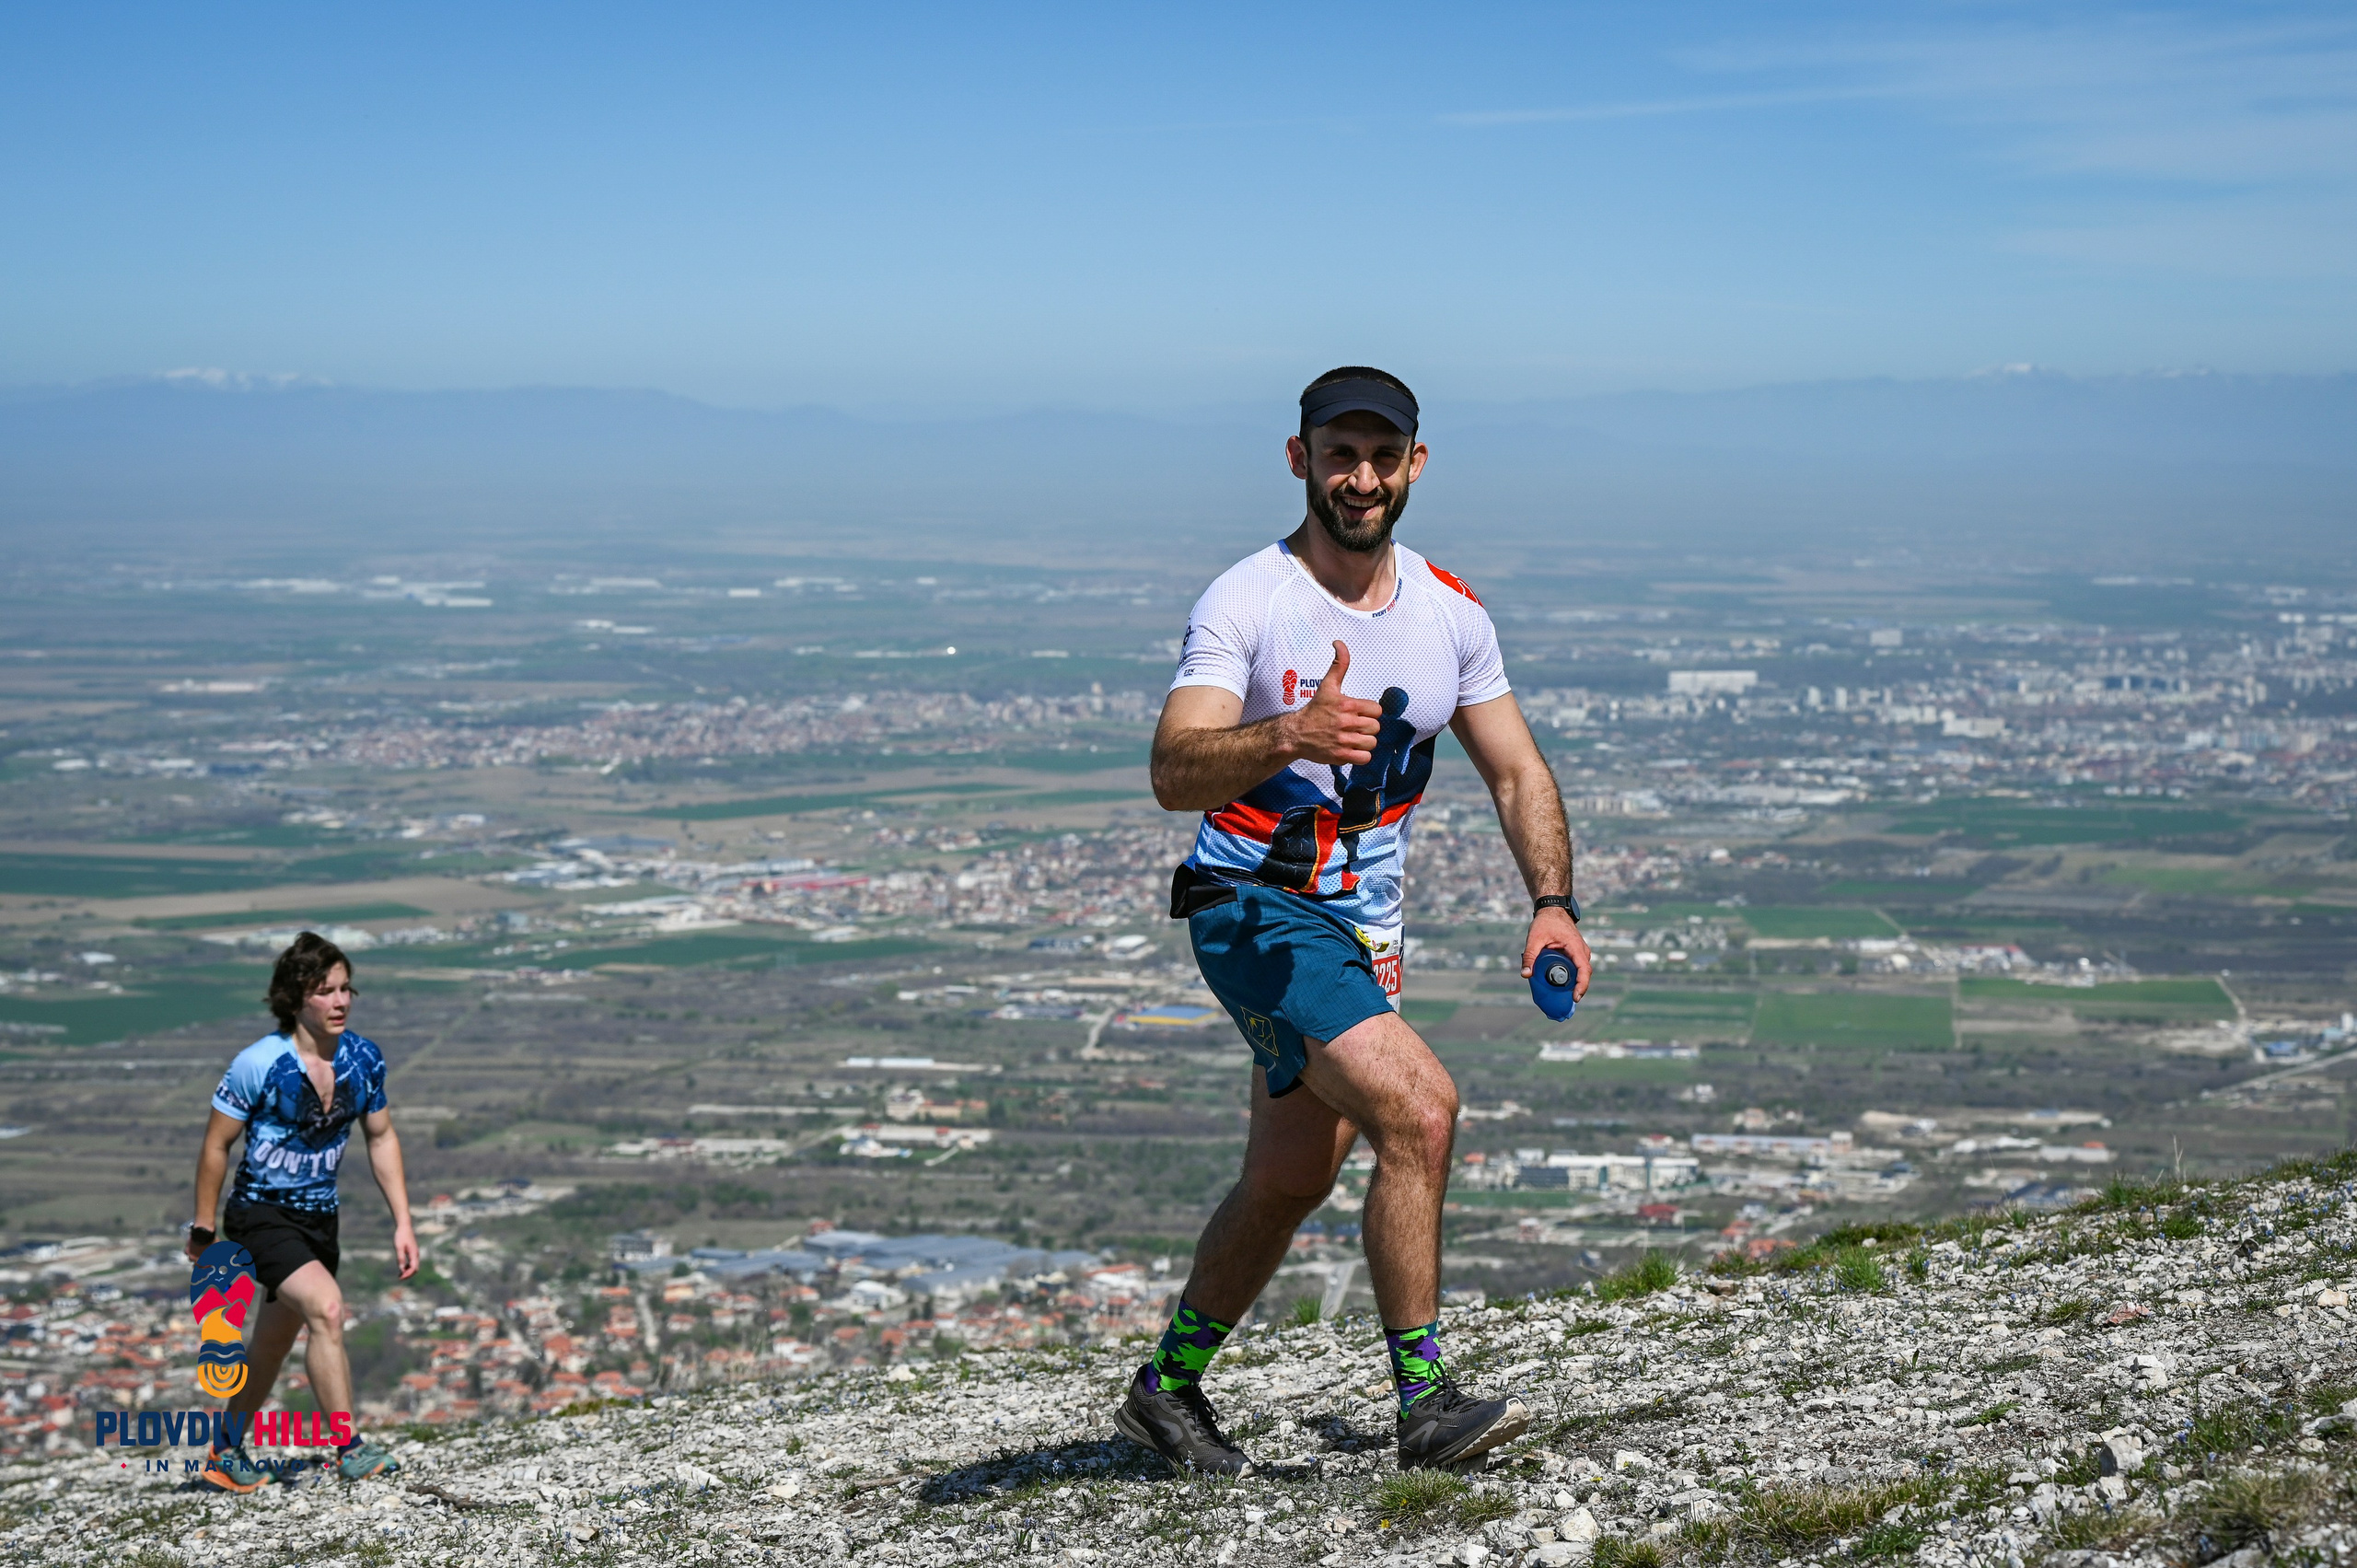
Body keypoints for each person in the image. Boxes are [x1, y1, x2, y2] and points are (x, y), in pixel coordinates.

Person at [1113, 366, 1593, 1475]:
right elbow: (1172, 770)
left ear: (1414, 466)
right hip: (1253, 908)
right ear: (1300, 460)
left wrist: (1552, 904)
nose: (1361, 477)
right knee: (1420, 1112)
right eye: (1339, 454)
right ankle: (1424, 1401)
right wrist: (1284, 732)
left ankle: (1165, 1386)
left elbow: (1518, 772)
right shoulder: (1247, 601)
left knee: (1289, 1176)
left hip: (1363, 931)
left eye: (1382, 456)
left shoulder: (1449, 612)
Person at [185, 932, 419, 1490]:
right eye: (324, 991)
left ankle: (223, 1450)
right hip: (260, 1214)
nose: (339, 1002)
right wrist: (203, 1224)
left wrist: (403, 1221)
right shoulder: (258, 1064)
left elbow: (381, 1137)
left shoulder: (364, 1059)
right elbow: (216, 1145)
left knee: (271, 1344)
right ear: (296, 999)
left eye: (345, 989)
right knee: (328, 1309)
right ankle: (347, 1448)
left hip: (320, 1220)